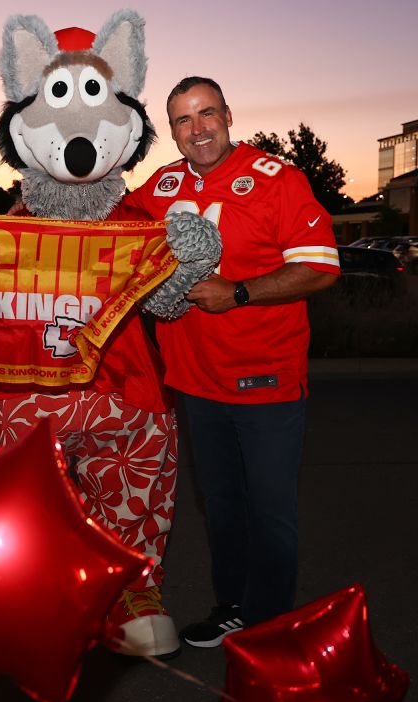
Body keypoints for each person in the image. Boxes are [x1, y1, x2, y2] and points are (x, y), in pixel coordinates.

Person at [115, 77, 340, 647]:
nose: (198, 130)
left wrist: (239, 292)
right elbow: (111, 222)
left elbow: (320, 267)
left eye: (207, 114)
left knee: (271, 511)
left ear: (228, 114)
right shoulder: (163, 183)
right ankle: (233, 608)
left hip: (264, 378)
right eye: (183, 121)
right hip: (194, 381)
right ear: (172, 131)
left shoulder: (278, 179)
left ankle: (268, 626)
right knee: (221, 506)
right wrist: (31, 209)